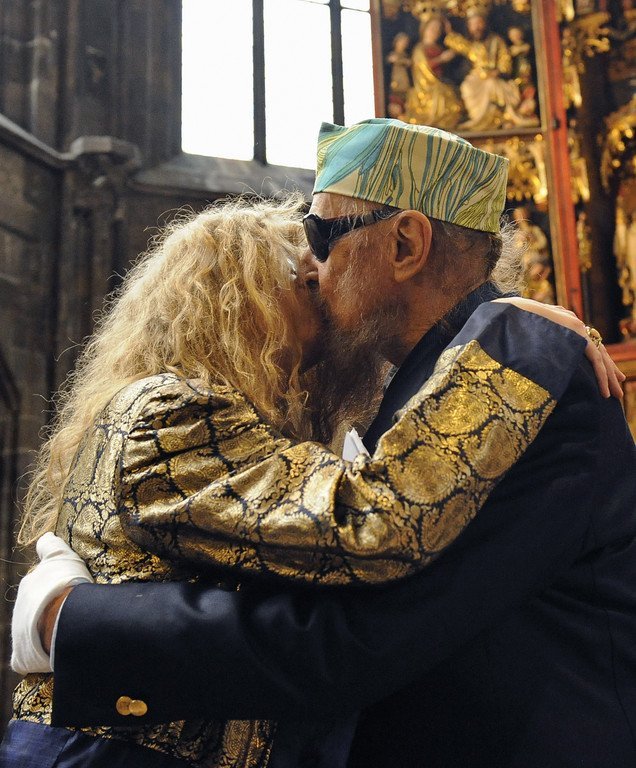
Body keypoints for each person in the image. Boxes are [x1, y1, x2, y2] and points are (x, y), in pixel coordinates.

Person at [9, 120, 635, 768]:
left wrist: (72, 623)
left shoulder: (523, 384)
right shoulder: (457, 376)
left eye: (320, 237)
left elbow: (352, 638)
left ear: (405, 244)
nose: (312, 270)